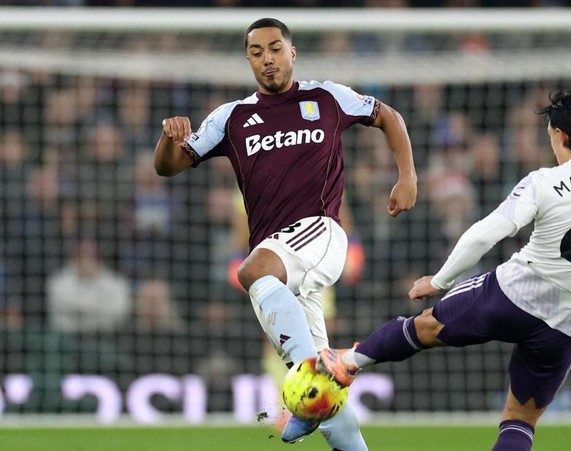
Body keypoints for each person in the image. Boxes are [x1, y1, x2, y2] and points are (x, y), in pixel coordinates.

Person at [318, 88, 571, 451]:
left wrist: (439, 280)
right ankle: (350, 363)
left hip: (513, 296)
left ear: (560, 135)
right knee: (519, 419)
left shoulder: (545, 181)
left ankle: (349, 363)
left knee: (425, 327)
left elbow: (484, 234)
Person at [153, 18, 417, 450]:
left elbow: (388, 116)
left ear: (292, 53)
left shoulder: (326, 97)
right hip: (284, 263)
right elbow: (168, 167)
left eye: (275, 48)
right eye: (256, 52)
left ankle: (305, 387)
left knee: (252, 270)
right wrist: (169, 139)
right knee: (327, 401)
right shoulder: (232, 118)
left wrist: (407, 177)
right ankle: (316, 395)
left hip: (322, 233)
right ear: (248, 61)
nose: (267, 58)